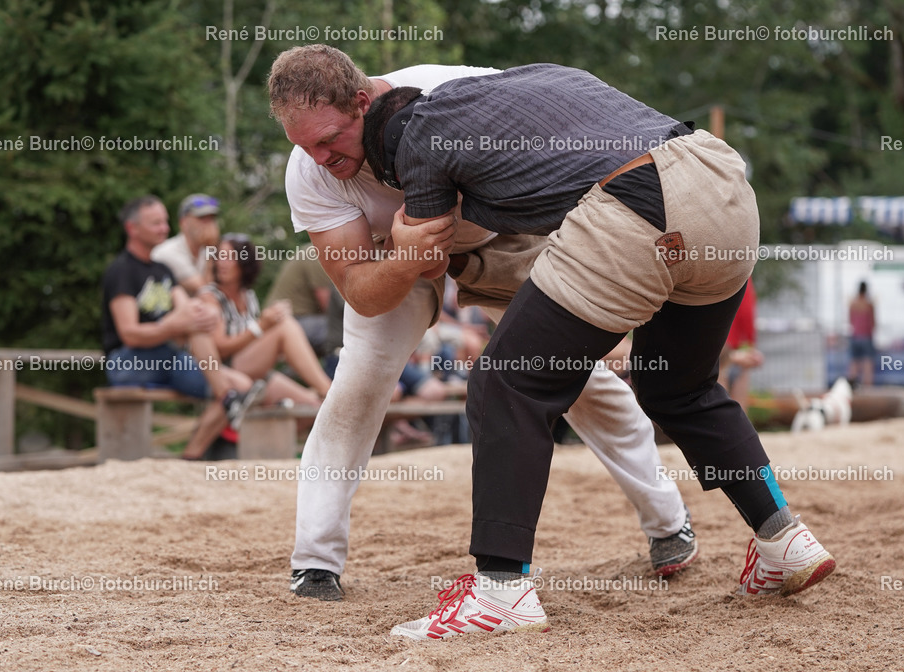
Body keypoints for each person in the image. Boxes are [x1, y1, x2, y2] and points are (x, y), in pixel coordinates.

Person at [363, 64, 836, 639]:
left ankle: (501, 590)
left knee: (507, 379)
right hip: (721, 182)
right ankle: (783, 537)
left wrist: (397, 238)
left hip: (641, 199)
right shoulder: (527, 83)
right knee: (681, 388)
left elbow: (428, 249)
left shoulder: (414, 133)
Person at [267, 45, 697, 602]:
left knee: (576, 378)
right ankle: (315, 560)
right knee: (358, 382)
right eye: (303, 145)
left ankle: (668, 521)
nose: (319, 157)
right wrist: (406, 256)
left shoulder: (456, 89)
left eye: (329, 140)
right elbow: (359, 290)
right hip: (394, 255)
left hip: (504, 235)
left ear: (361, 101)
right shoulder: (310, 171)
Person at [102, 195, 267, 460]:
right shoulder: (122, 270)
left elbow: (190, 307)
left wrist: (202, 314)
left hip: (168, 357)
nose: (164, 229)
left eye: (165, 222)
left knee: (243, 384)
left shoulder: (162, 269)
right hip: (129, 361)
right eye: (156, 223)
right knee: (204, 342)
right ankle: (226, 400)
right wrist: (173, 325)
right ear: (132, 228)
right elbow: (129, 334)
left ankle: (191, 455)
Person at [201, 234, 332, 404]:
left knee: (314, 406)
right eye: (220, 256)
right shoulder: (211, 297)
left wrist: (266, 326)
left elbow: (251, 338)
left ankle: (327, 394)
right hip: (227, 370)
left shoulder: (248, 296)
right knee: (285, 325)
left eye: (229, 257)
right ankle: (329, 391)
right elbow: (220, 350)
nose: (222, 263)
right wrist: (261, 326)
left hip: (255, 370)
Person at [265, 247, 335, 356]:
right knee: (343, 331)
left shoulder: (315, 251)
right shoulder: (317, 254)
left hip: (292, 320)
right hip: (288, 321)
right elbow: (329, 307)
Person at [151, 194, 221, 296]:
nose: (208, 224)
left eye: (211, 219)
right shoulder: (168, 252)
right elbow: (205, 291)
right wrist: (212, 249)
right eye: (202, 218)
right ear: (183, 222)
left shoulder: (205, 251)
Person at [718, 277, 764, 411]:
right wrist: (750, 346)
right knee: (739, 409)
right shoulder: (742, 273)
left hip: (718, 348)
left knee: (717, 406)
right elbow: (747, 312)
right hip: (737, 348)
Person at [847, 281, 876, 387]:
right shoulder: (869, 304)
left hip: (855, 336)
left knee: (854, 364)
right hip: (866, 336)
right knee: (868, 364)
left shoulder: (853, 304)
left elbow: (850, 321)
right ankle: (867, 389)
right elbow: (873, 322)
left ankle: (852, 387)